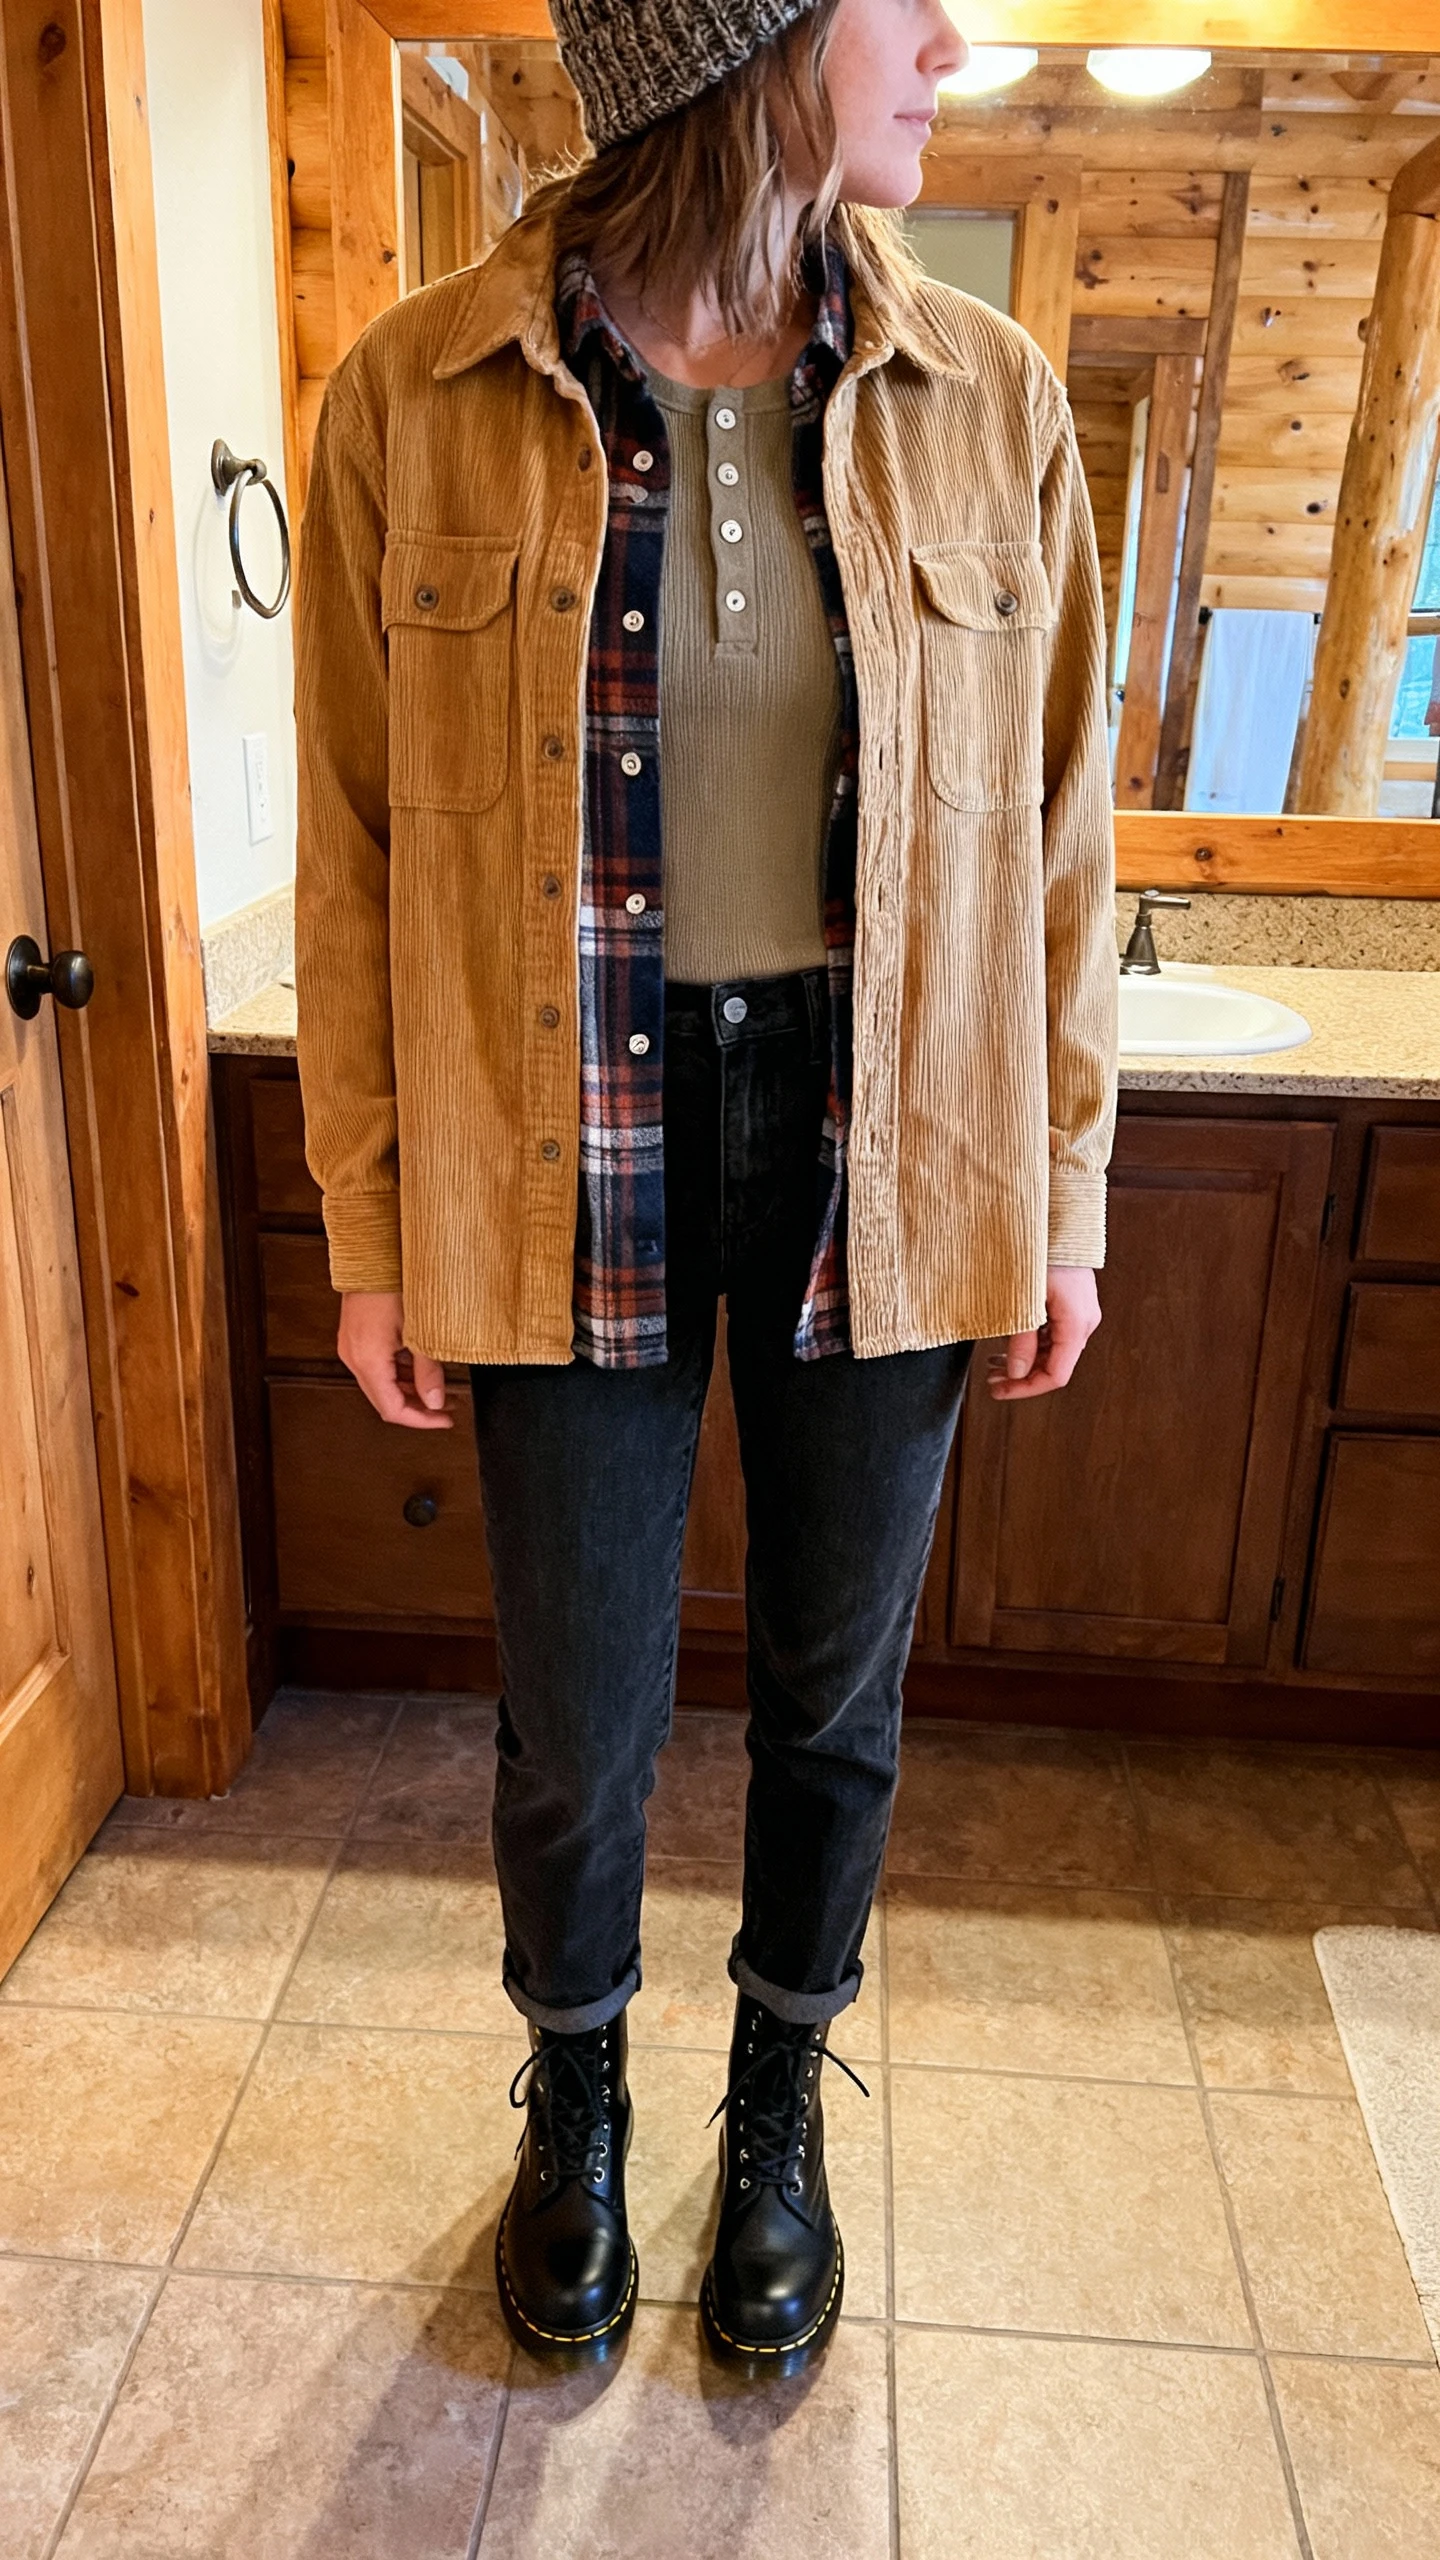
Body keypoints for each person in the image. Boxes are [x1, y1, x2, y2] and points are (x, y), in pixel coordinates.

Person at [296, 0, 1117, 2375]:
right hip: (566, 1148)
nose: (946, 36)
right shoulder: (418, 395)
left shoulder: (990, 398)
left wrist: (1063, 1185)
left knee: (834, 1696)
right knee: (577, 1715)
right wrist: (373, 1220)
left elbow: (1065, 843)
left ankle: (776, 2105)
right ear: (736, 35)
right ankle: (576, 2096)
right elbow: (354, 855)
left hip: (898, 1142)